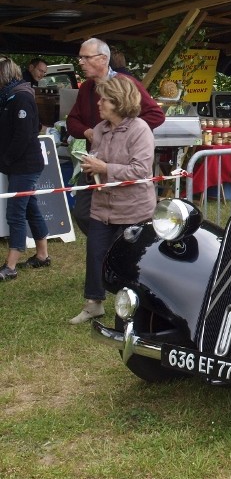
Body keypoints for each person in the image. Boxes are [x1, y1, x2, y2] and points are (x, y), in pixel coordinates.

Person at [69, 76, 156, 324]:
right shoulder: (99, 129)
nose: (99, 104)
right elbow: (99, 161)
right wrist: (90, 165)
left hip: (134, 209)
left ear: (118, 102)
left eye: (104, 99)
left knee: (131, 260)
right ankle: (93, 304)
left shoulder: (140, 130)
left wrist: (104, 167)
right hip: (102, 207)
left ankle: (134, 307)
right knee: (95, 253)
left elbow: (140, 171)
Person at [66, 37, 164, 235]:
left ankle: (117, 248)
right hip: (94, 165)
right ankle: (104, 242)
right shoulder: (86, 88)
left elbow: (156, 115)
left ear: (103, 59)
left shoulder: (126, 84)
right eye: (80, 57)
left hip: (125, 165)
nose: (81, 62)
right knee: (83, 213)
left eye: (86, 57)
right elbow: (72, 121)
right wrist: (88, 132)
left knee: (126, 221)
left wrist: (126, 132)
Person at [0, 58, 50, 281]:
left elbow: (22, 136)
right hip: (18, 164)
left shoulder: (20, 97)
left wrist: (6, 160)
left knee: (15, 213)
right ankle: (42, 255)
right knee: (30, 208)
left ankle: (10, 266)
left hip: (25, 165)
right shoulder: (9, 97)